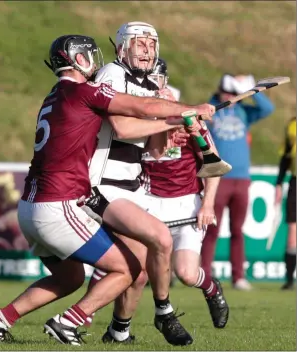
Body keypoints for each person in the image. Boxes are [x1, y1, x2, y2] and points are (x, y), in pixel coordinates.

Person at [0, 34, 215, 345]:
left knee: (69, 277)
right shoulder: (84, 92)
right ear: (77, 58)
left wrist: (169, 120)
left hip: (29, 208)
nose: (95, 63)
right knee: (128, 267)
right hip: (57, 206)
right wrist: (189, 109)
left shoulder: (53, 96)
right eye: (90, 55)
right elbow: (140, 106)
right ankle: (68, 322)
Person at [85, 21, 214, 346]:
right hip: (102, 186)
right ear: (121, 48)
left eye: (151, 44)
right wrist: (176, 114)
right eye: (139, 43)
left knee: (137, 270)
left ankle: (118, 332)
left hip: (126, 189)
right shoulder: (112, 75)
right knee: (153, 244)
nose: (146, 49)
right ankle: (163, 311)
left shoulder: (142, 85)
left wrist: (183, 124)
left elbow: (155, 146)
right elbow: (123, 129)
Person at [141, 58, 229, 330]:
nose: (156, 89)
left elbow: (213, 166)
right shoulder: (133, 122)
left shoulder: (192, 124)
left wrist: (208, 205)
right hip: (148, 206)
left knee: (187, 274)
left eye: (158, 82)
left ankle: (211, 288)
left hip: (186, 206)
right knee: (136, 273)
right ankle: (118, 328)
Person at [200, 73, 275, 290]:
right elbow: (203, 115)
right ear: (221, 92)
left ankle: (238, 276)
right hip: (219, 178)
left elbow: (267, 109)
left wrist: (253, 90)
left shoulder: (244, 111)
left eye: (235, 93)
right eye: (229, 92)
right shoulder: (214, 108)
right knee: (211, 228)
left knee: (237, 230)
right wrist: (220, 101)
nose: (232, 96)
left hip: (241, 178)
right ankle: (204, 274)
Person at [275, 116, 296, 290]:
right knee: (292, 231)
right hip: (295, 182)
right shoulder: (292, 125)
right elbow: (286, 156)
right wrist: (279, 183)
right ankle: (289, 280)